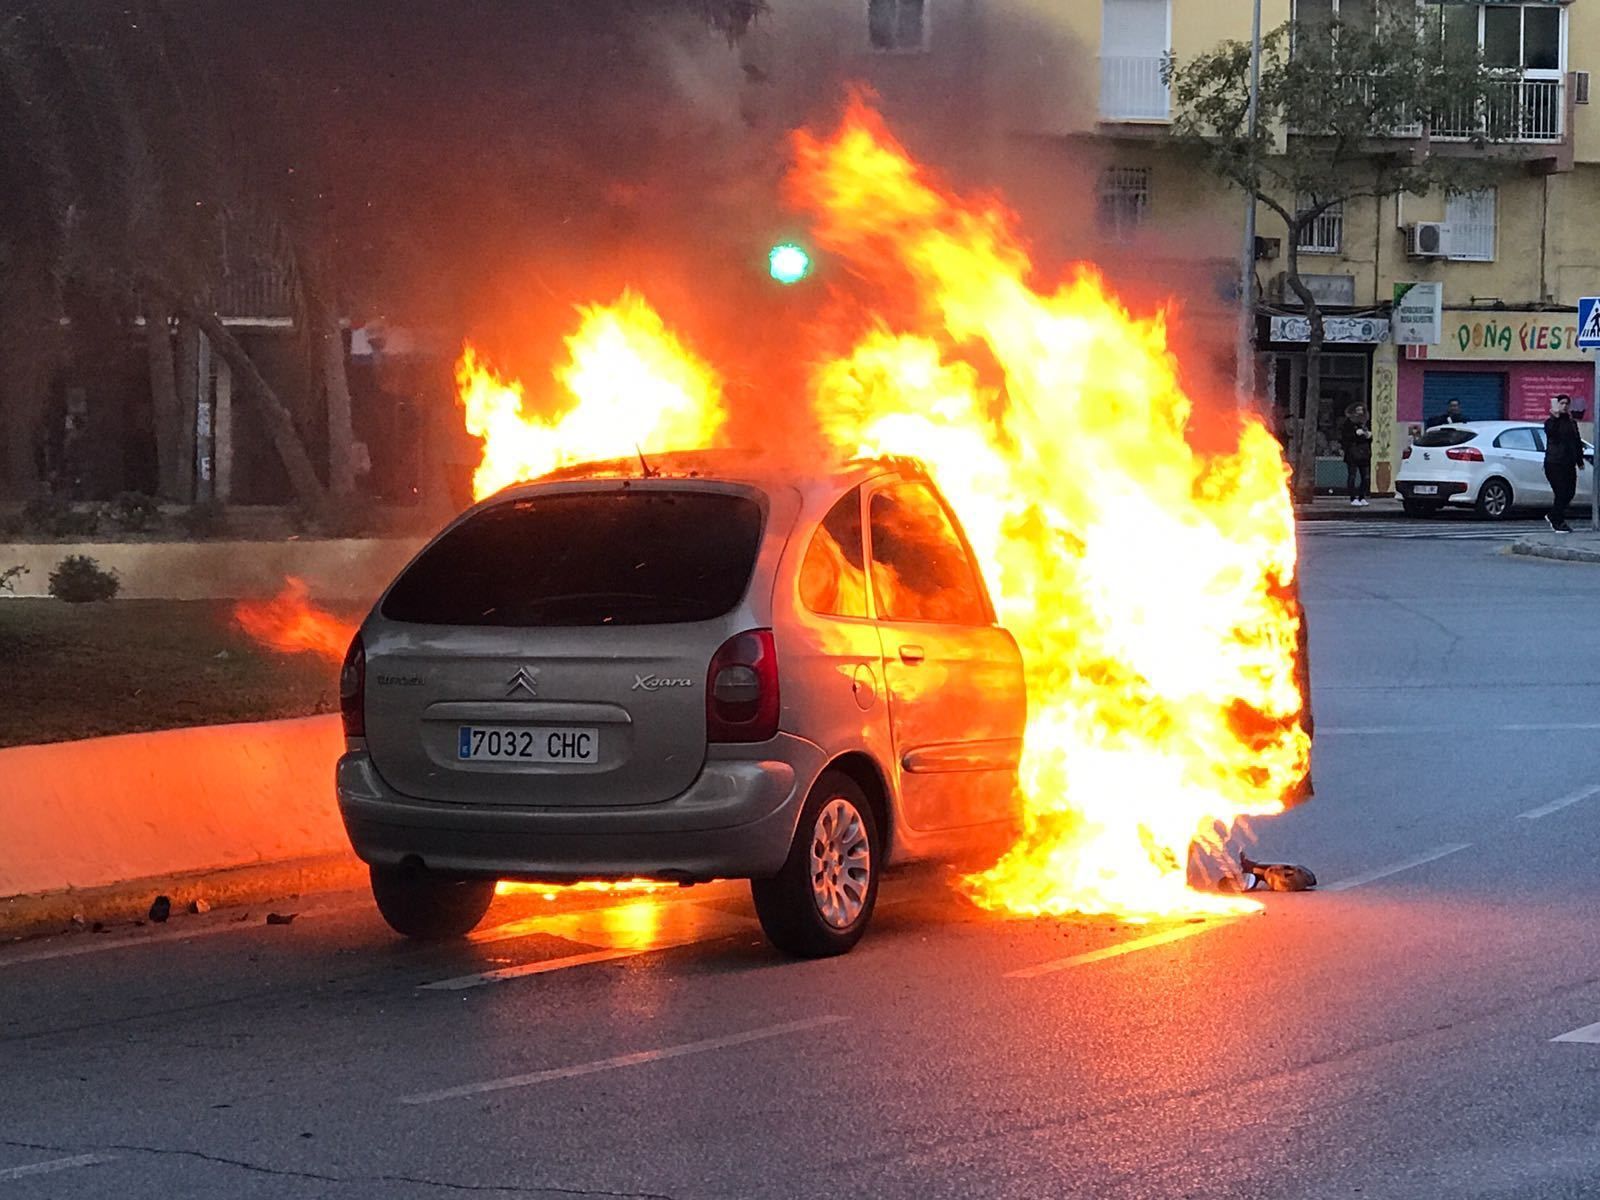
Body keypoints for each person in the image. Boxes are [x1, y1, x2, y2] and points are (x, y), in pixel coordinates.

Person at [1543, 393, 1585, 533]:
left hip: (1568, 463)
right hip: (1554, 463)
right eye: (1561, 403)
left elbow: (1576, 442)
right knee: (1561, 492)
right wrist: (1554, 416)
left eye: (1567, 403)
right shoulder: (1550, 422)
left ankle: (1552, 515)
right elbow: (1551, 433)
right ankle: (1558, 521)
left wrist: (1579, 460)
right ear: (1556, 405)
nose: (1564, 406)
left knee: (1569, 493)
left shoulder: (1572, 423)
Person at [1339, 402, 1373, 507]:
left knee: (1365, 477)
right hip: (1352, 453)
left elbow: (1369, 439)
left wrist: (1368, 436)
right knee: (1352, 476)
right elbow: (1344, 438)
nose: (1360, 412)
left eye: (1361, 410)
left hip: (1364, 453)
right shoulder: (1348, 423)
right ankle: (1353, 498)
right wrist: (1355, 434)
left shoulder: (1365, 423)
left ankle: (1362, 497)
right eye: (1357, 410)